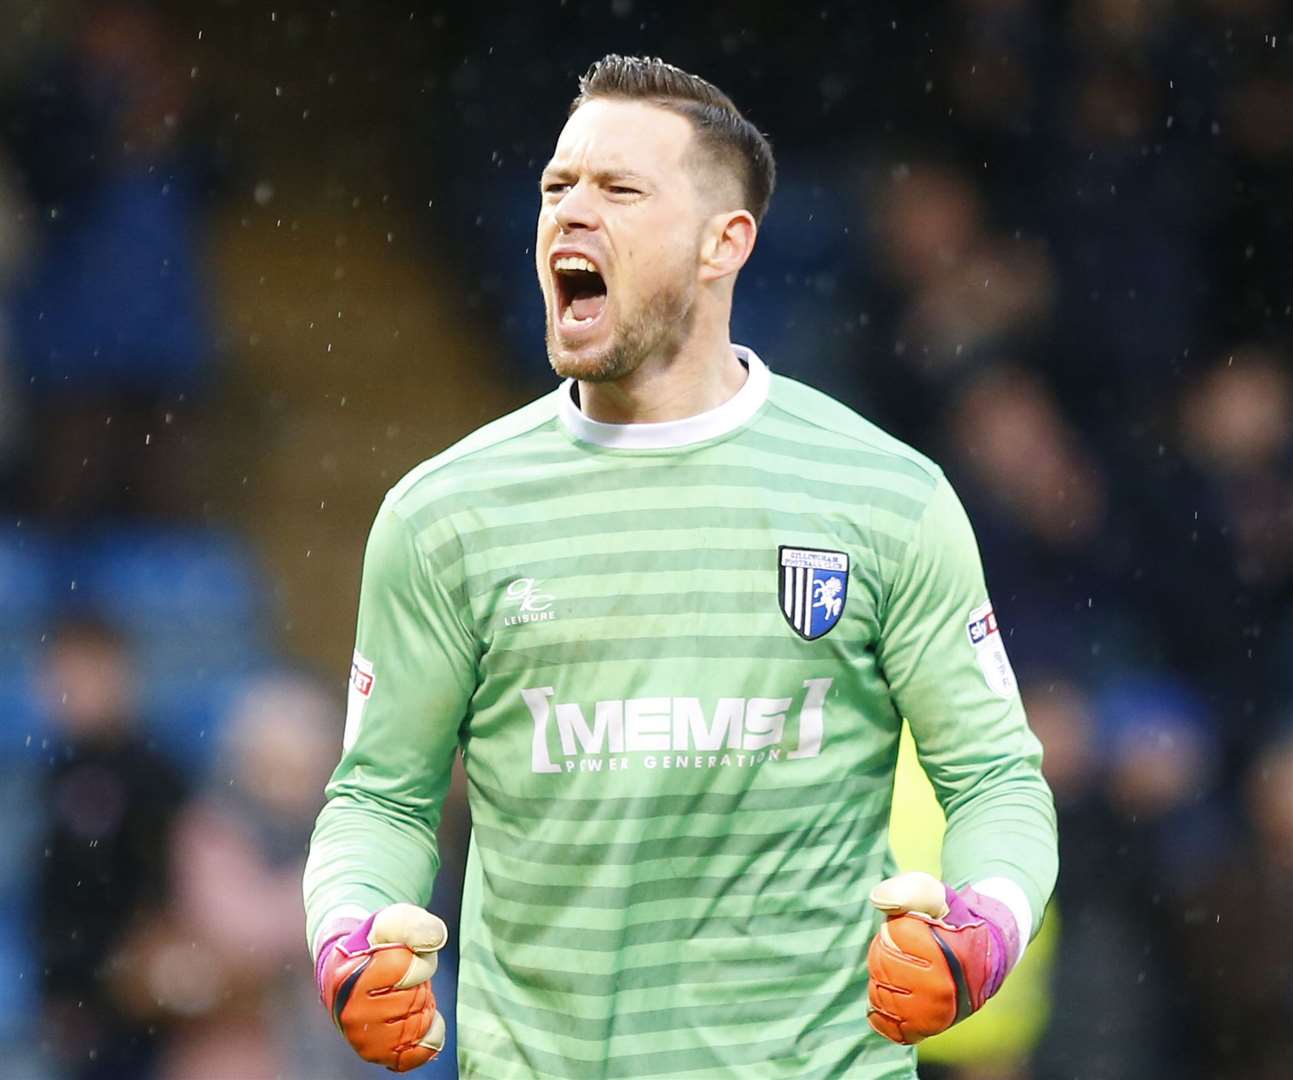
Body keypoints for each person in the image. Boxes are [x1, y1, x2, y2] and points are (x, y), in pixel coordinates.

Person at [304, 54, 1057, 1079]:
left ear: (724, 243)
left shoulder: (889, 498)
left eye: (619, 190)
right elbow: (380, 799)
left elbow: (997, 781)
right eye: (556, 188)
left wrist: (986, 932)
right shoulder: (444, 516)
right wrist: (350, 937)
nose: (571, 213)